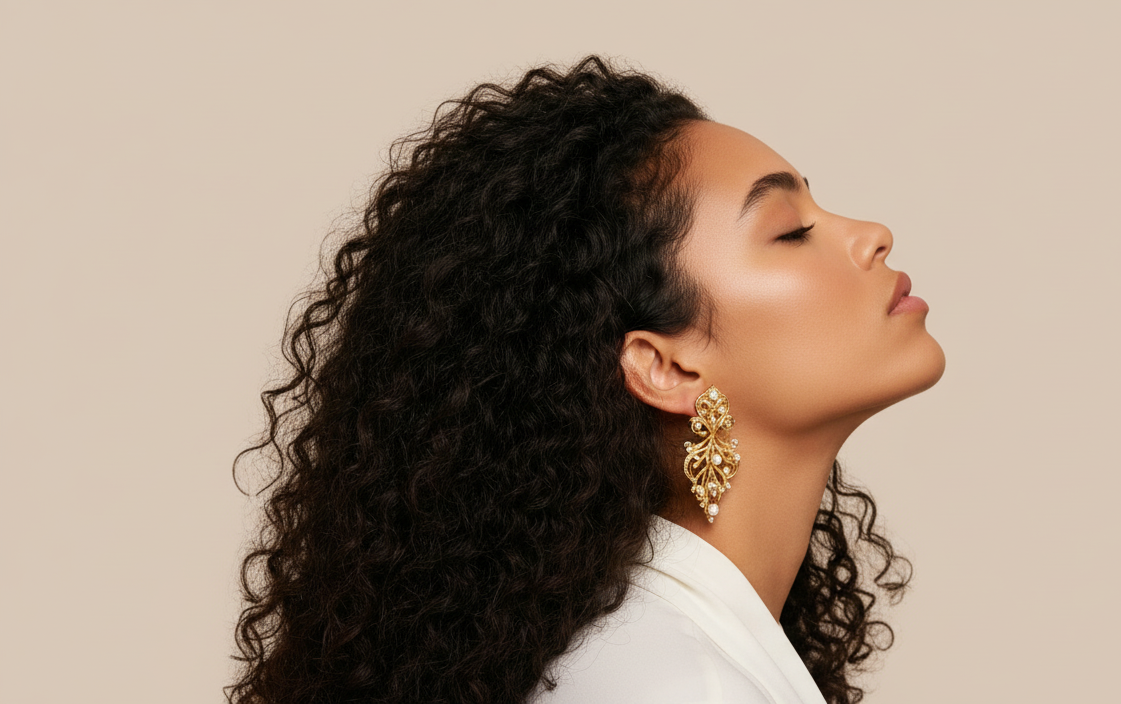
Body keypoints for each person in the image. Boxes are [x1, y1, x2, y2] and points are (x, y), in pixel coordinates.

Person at [228, 55, 945, 704]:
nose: (871, 233)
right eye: (791, 230)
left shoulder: (659, 652)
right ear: (665, 366)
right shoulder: (677, 685)